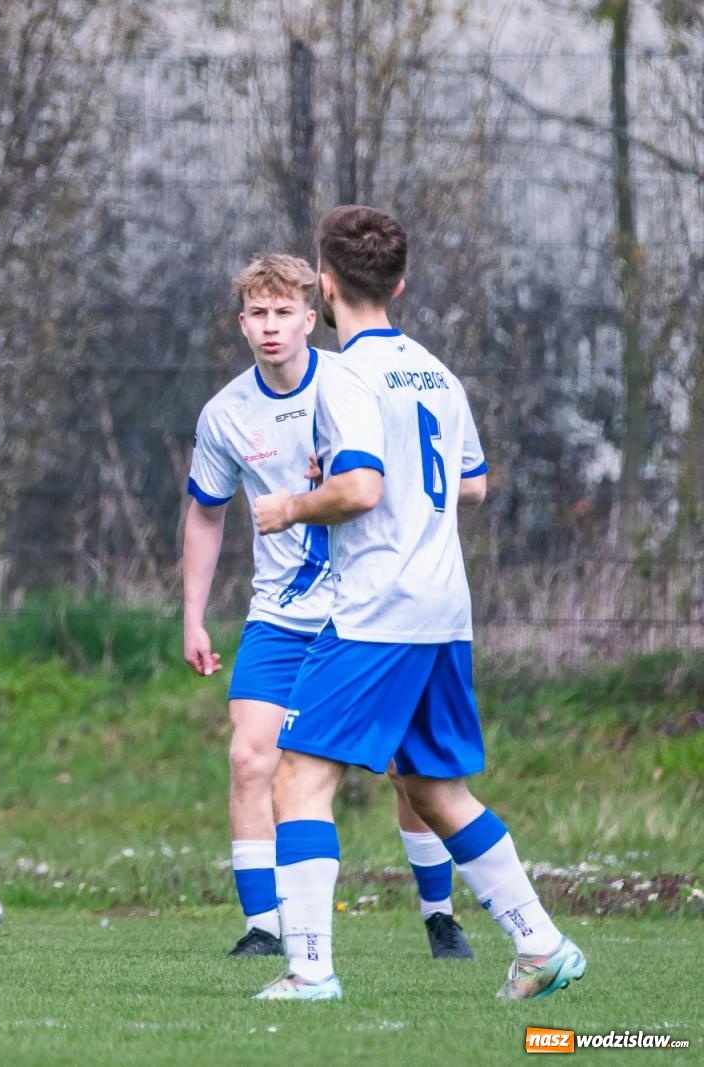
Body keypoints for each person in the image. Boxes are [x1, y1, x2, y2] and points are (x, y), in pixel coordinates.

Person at [249, 205, 586, 1001]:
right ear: (397, 283)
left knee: (298, 773)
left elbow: (362, 488)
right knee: (433, 786)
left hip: (377, 606)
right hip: (443, 606)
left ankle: (310, 969)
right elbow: (470, 481)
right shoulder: (436, 371)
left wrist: (294, 506)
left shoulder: (344, 376)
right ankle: (542, 943)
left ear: (324, 287)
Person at [183, 253, 473, 961]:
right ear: (242, 322)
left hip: (370, 610)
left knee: (413, 772)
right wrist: (192, 614)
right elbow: (205, 513)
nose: (272, 326)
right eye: (259, 313)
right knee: (251, 755)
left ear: (313, 315)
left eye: (286, 312)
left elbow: (450, 481)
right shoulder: (226, 414)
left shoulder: (352, 385)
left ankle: (440, 915)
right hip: (280, 617)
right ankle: (265, 926)